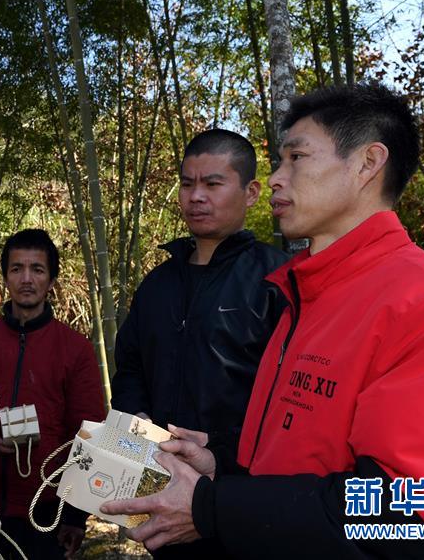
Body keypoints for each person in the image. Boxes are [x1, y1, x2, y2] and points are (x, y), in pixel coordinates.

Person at [100, 82, 424, 558]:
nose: (275, 178)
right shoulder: (305, 296)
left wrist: (213, 505)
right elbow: (301, 453)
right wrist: (220, 463)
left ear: (367, 164)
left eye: (297, 158)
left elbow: (411, 512)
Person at [110, 129, 288, 556]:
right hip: (161, 484)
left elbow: (289, 396)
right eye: (187, 184)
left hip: (244, 494)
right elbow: (131, 366)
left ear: (250, 193)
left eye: (212, 183)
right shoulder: (157, 284)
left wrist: (224, 457)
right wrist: (135, 427)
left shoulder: (277, 279)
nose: (196, 196)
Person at [0, 229, 105, 559]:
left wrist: (75, 516)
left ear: (52, 280)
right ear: (5, 277)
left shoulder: (75, 349)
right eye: (17, 269)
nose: (26, 279)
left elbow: (89, 434)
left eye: (38, 269)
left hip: (46, 511)